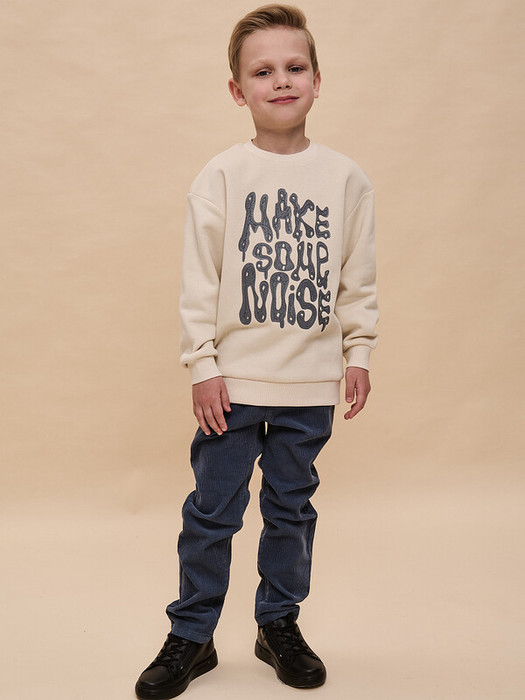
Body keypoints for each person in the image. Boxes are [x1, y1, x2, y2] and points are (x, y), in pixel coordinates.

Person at [135, 4, 378, 698]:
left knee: (291, 510)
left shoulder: (346, 179)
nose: (281, 81)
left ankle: (278, 624)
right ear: (237, 90)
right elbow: (199, 280)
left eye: (294, 67)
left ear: (317, 80)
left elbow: (357, 279)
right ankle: (192, 633)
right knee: (212, 512)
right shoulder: (221, 175)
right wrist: (203, 365)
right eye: (262, 71)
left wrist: (357, 354)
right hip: (233, 384)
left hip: (309, 383)